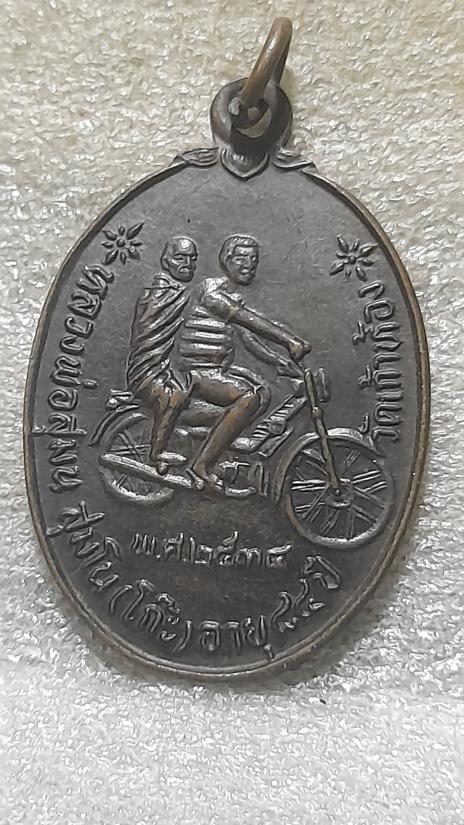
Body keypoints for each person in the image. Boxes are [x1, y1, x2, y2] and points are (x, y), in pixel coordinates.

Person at [172, 234, 311, 491]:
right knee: (248, 398)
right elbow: (246, 320)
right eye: (241, 258)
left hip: (214, 369)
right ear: (226, 260)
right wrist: (289, 340)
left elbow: (249, 338)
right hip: (196, 372)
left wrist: (279, 362)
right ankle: (201, 465)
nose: (249, 265)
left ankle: (223, 444)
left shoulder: (232, 297)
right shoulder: (211, 291)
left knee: (263, 392)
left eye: (253, 260)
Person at [126, 236, 198, 472]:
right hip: (146, 367)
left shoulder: (179, 292)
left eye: (192, 258)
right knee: (173, 397)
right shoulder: (158, 292)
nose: (187, 264)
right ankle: (157, 453)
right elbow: (149, 333)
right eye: (180, 257)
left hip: (166, 365)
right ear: (166, 261)